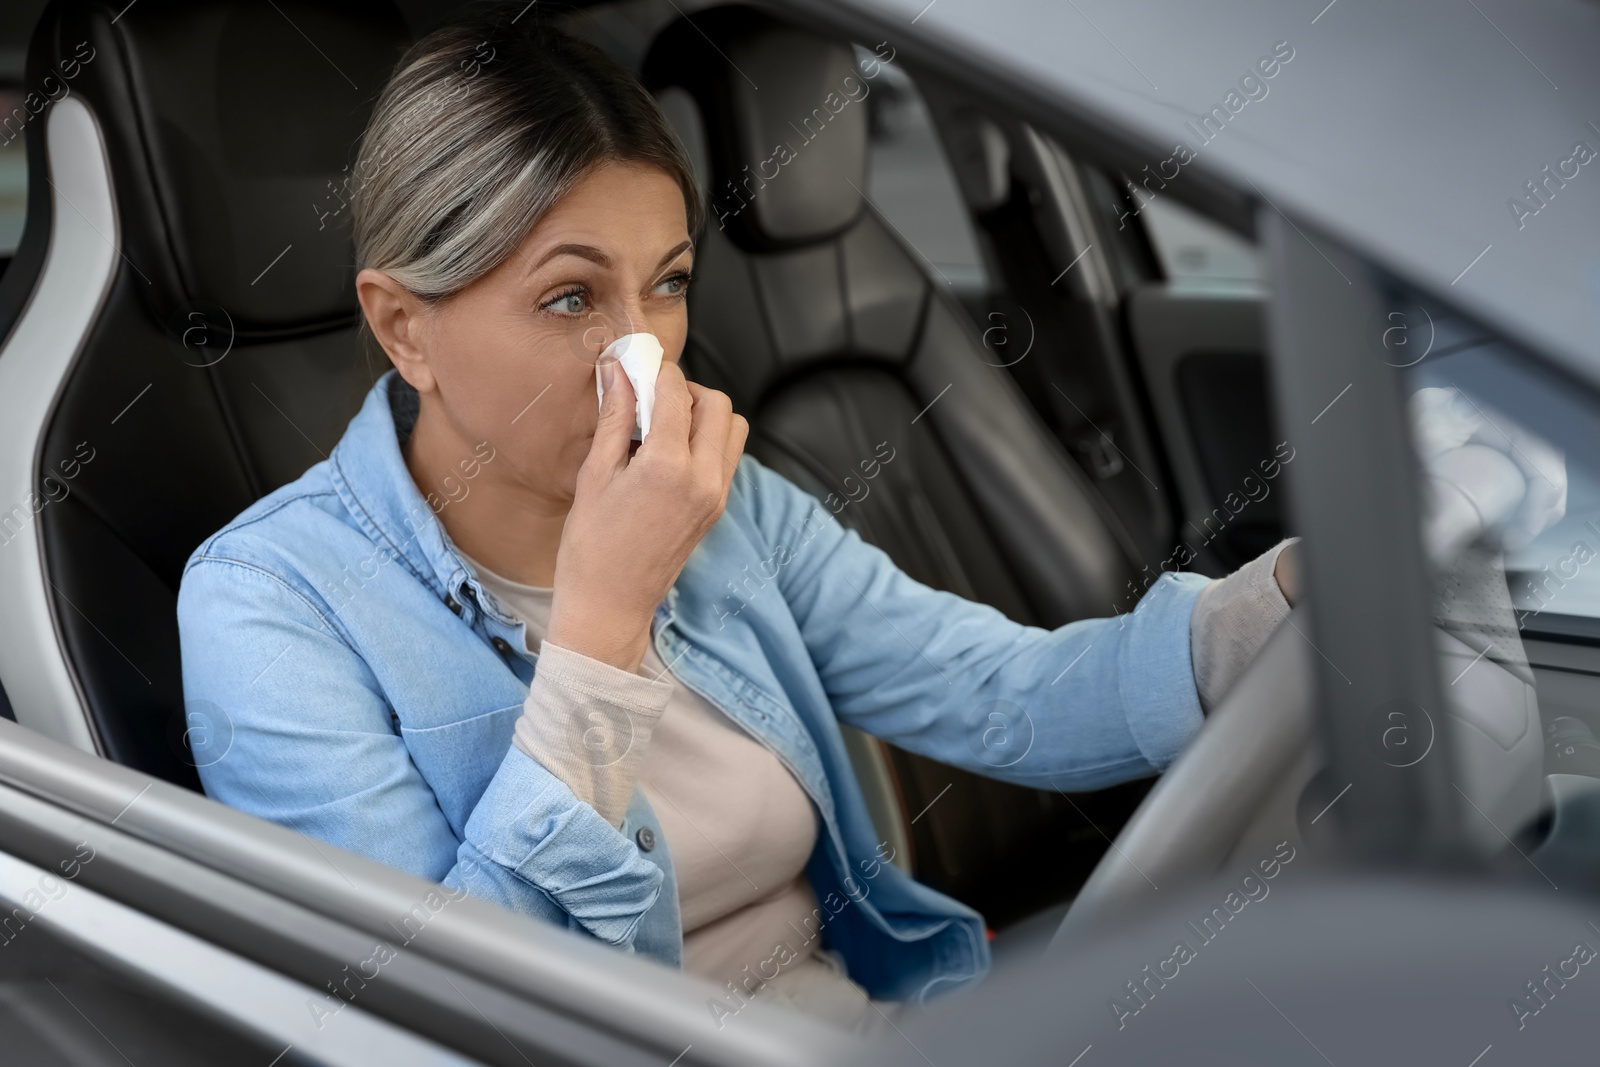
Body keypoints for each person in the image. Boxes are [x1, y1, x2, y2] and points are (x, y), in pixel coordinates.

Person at [175, 13, 1301, 1033]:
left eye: (664, 285)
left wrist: (1298, 600)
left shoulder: (727, 506)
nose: (644, 354)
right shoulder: (268, 602)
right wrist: (604, 625)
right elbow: (439, 1014)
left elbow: (1004, 691)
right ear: (402, 327)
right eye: (571, 298)